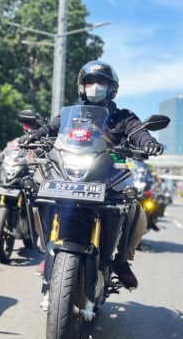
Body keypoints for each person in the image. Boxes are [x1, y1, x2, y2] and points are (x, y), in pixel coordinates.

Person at [21, 60, 164, 289]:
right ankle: (48, 248)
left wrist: (149, 143)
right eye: (90, 82)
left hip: (108, 174)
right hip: (69, 171)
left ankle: (121, 260)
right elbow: (49, 129)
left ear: (112, 88)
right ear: (82, 87)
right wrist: (34, 135)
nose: (95, 86)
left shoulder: (123, 117)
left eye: (101, 82)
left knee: (134, 209)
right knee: (39, 197)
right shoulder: (69, 115)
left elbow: (140, 133)